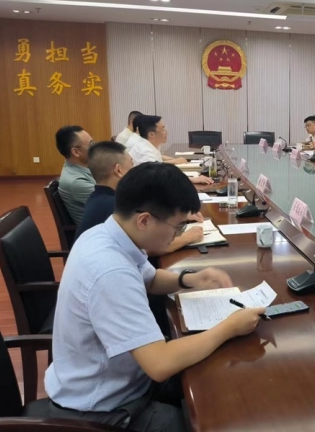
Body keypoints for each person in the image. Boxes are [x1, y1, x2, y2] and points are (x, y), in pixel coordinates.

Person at [41, 163, 266, 431]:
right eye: (177, 227)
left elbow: (149, 279)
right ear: (144, 220)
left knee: (215, 382)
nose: (178, 235)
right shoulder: (110, 271)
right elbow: (160, 364)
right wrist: (229, 327)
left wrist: (190, 279)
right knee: (216, 416)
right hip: (102, 410)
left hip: (122, 380)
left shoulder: (107, 235)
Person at [75, 141, 205, 249]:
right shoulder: (112, 206)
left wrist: (176, 215)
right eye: (132, 164)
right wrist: (187, 237)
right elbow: (150, 248)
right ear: (119, 170)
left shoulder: (100, 198)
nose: (135, 169)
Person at [128, 115, 212, 188]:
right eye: (163, 129)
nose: (166, 132)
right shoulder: (144, 152)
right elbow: (159, 176)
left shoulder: (149, 145)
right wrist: (192, 179)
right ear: (151, 134)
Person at [56, 125, 96, 224]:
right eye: (91, 144)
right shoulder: (76, 181)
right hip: (96, 229)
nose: (95, 147)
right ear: (76, 152)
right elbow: (117, 204)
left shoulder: (85, 167)